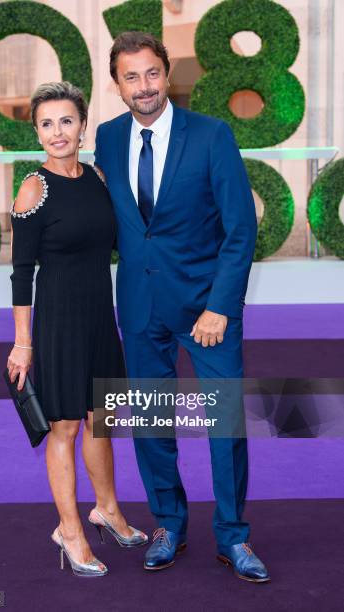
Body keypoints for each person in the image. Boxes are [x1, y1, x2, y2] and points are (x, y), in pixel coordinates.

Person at [94, 32, 269, 582]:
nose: (143, 87)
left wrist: (220, 306)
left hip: (207, 310)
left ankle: (233, 536)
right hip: (141, 309)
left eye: (151, 74)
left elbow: (241, 230)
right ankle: (168, 523)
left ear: (166, 75)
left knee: (225, 427)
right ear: (117, 84)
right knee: (150, 422)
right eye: (131, 77)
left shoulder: (213, 136)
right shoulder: (106, 137)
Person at [7, 81, 147, 578]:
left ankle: (106, 508)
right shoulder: (33, 187)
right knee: (64, 427)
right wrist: (23, 343)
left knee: (101, 419)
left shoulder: (99, 178)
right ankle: (69, 530)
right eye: (47, 124)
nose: (57, 132)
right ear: (37, 132)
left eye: (66, 121)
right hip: (58, 322)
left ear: (82, 124)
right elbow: (22, 272)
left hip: (98, 317)